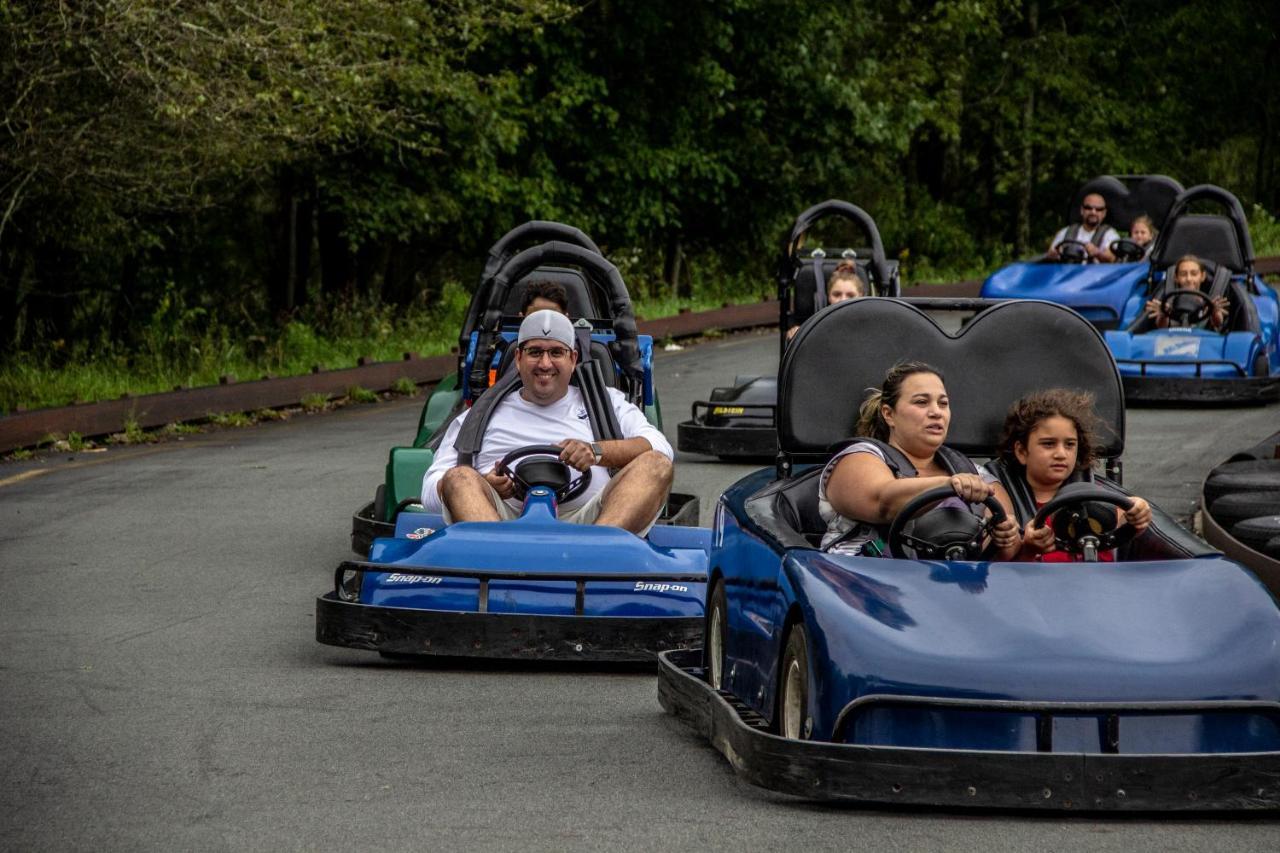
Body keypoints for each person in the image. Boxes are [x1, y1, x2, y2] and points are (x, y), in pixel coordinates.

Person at [422, 309, 673, 535]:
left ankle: (595, 557)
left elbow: (660, 448)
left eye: (556, 352)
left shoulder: (606, 402)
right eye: (535, 352)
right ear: (518, 358)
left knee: (656, 465)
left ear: (573, 359)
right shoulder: (480, 414)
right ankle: (502, 563)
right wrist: (485, 485)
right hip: (500, 524)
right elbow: (430, 490)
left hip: (591, 524)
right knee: (459, 478)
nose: (545, 363)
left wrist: (597, 451)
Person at [817, 362, 1021, 559]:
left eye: (943, 403)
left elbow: (1005, 555)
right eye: (921, 402)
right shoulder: (859, 457)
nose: (936, 412)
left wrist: (1003, 538)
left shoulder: (975, 473)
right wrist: (949, 484)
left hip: (948, 587)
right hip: (857, 582)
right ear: (888, 414)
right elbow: (882, 502)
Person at [995, 389, 1151, 562]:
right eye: (1048, 444)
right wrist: (1029, 550)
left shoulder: (1097, 498)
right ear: (1022, 451)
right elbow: (1005, 574)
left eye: (1069, 444)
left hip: (1098, 583)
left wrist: (1138, 512)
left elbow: (1128, 522)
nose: (1061, 453)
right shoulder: (1005, 503)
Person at [1143, 254, 1229, 331]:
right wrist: (1163, 315)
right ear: (1176, 278)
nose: (1188, 279)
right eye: (1183, 274)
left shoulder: (1210, 304)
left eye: (1194, 274)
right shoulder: (1169, 303)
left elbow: (1218, 324)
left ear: (1202, 276)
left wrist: (1214, 313)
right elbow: (1161, 328)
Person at [787, 260, 865, 340]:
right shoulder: (811, 328)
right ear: (829, 296)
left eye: (850, 295)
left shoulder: (870, 325)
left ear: (860, 296)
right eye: (837, 294)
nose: (843, 300)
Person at [1046, 192, 1119, 263]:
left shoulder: (1110, 235)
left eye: (1098, 209)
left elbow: (1112, 258)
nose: (1093, 212)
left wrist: (1098, 253)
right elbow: (1050, 253)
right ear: (1082, 210)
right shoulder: (1065, 232)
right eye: (1088, 208)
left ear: (1104, 213)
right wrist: (1053, 255)